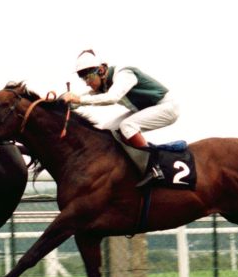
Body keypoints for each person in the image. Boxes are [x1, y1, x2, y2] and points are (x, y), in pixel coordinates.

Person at [61, 50, 179, 185]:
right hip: (149, 108)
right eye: (84, 79)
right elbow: (86, 97)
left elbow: (111, 98)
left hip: (167, 107)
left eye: (88, 77)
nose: (87, 83)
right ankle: (123, 165)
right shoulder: (105, 83)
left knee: (127, 126)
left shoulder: (124, 74)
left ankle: (153, 168)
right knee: (107, 129)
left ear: (100, 70)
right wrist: (62, 102)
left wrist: (78, 99)